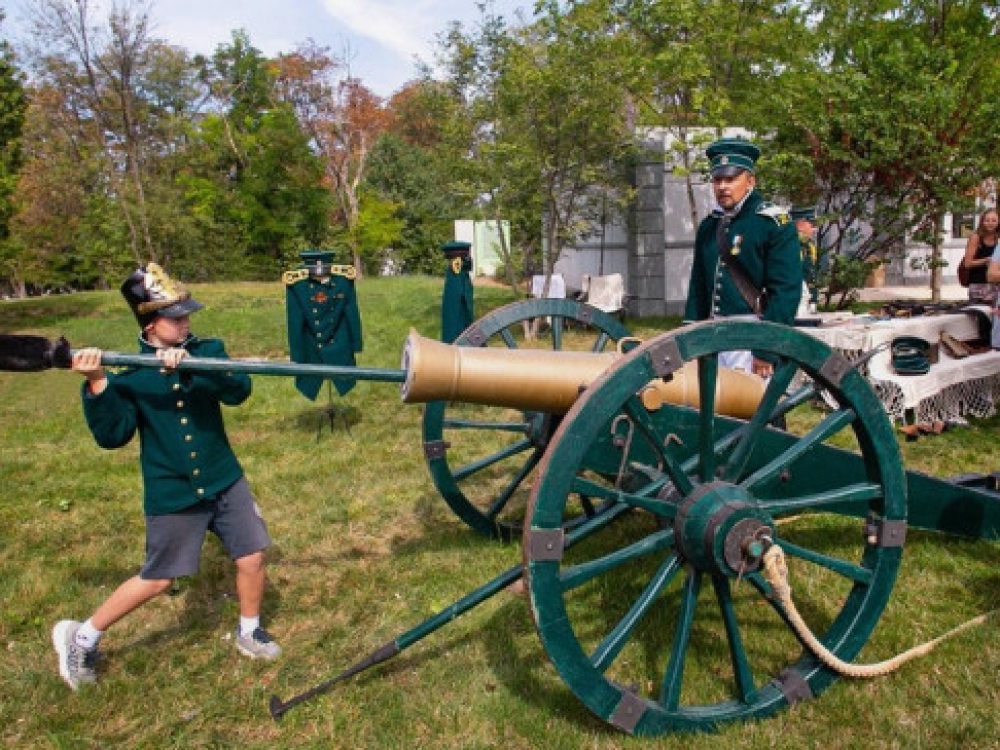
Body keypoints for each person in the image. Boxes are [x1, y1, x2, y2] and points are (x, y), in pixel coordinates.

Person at [52, 263, 280, 691]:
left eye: (187, 314)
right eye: (177, 318)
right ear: (151, 324)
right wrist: (99, 381)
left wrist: (195, 365)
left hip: (223, 477)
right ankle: (80, 637)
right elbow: (113, 435)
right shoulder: (132, 376)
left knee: (251, 556)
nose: (187, 322)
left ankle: (249, 631)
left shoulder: (208, 348)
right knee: (159, 578)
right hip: (172, 488)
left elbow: (239, 390)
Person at [684, 138, 802, 378]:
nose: (723, 187)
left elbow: (786, 291)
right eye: (718, 180)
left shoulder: (771, 223)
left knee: (754, 409)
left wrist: (765, 349)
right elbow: (698, 289)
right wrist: (690, 341)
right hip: (714, 336)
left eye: (731, 179)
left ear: (750, 181)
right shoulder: (710, 226)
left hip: (753, 334)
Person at [963, 207, 999, 304]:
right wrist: (987, 260)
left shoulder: (998, 238)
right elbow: (967, 263)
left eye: (994, 220)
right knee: (980, 316)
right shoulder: (976, 237)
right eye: (987, 220)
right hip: (978, 284)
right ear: (982, 222)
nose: (990, 223)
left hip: (995, 284)